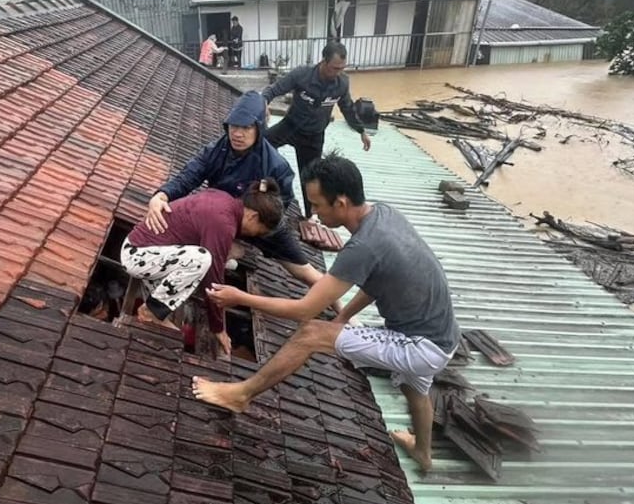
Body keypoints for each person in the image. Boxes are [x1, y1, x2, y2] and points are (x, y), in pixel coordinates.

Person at [194, 152, 460, 473]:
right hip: (443, 337)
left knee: (311, 333)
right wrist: (342, 319)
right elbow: (376, 283)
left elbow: (305, 309)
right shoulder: (384, 214)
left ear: (341, 203)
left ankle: (241, 394)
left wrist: (241, 297)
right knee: (413, 387)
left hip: (421, 345)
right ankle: (423, 453)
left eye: (317, 205)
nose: (314, 214)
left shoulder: (363, 247)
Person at [145, 90, 326, 291]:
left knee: (304, 270)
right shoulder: (215, 151)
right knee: (185, 238)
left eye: (246, 127)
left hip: (261, 223)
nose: (238, 134)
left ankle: (339, 305)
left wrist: (257, 220)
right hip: (224, 220)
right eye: (234, 126)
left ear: (259, 128)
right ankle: (229, 250)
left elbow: (281, 204)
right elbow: (188, 176)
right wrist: (162, 195)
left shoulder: (276, 165)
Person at [122, 180, 283, 356]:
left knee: (226, 259)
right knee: (203, 259)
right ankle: (151, 311)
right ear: (253, 216)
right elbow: (213, 280)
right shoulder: (223, 223)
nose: (253, 235)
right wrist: (218, 327)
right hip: (137, 256)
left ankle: (157, 296)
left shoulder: (224, 199)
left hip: (149, 250)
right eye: (258, 231)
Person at [261, 41, 372, 216]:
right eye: (335, 68)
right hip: (290, 126)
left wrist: (361, 131)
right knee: (259, 146)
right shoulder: (302, 74)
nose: (338, 72)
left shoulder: (342, 83)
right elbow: (274, 90)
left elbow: (348, 108)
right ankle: (262, 187)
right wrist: (264, 103)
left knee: (311, 181)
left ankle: (309, 217)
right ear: (323, 61)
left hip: (314, 137)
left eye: (342, 68)